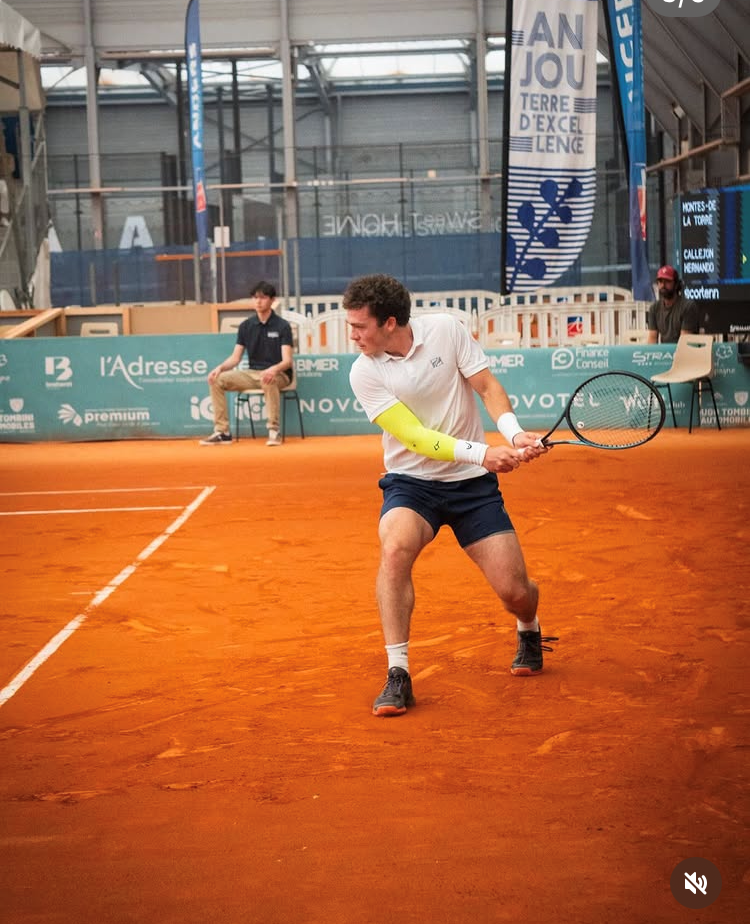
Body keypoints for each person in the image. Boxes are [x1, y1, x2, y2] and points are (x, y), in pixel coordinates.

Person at [344, 273, 557, 717]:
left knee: (515, 591)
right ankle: (398, 672)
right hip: (411, 483)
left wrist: (513, 434)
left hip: (471, 488)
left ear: (389, 322)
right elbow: (415, 437)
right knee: (395, 548)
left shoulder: (446, 330)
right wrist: (483, 453)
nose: (353, 335)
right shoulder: (364, 371)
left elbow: (487, 386)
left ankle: (529, 627)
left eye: (359, 326)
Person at [200, 281, 293, 446]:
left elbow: (287, 361)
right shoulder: (246, 326)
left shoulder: (282, 326)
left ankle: (274, 431)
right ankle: (222, 432)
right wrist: (219, 368)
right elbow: (235, 358)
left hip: (279, 375)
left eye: (263, 298)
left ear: (272, 300)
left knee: (268, 379)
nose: (258, 301)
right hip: (252, 373)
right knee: (217, 380)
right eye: (255, 298)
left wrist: (272, 370)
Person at [647, 265, 699, 344]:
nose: (663, 285)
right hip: (664, 351)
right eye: (660, 281)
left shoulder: (688, 306)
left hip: (686, 350)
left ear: (676, 284)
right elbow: (652, 338)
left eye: (667, 281)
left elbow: (685, 342)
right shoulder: (654, 308)